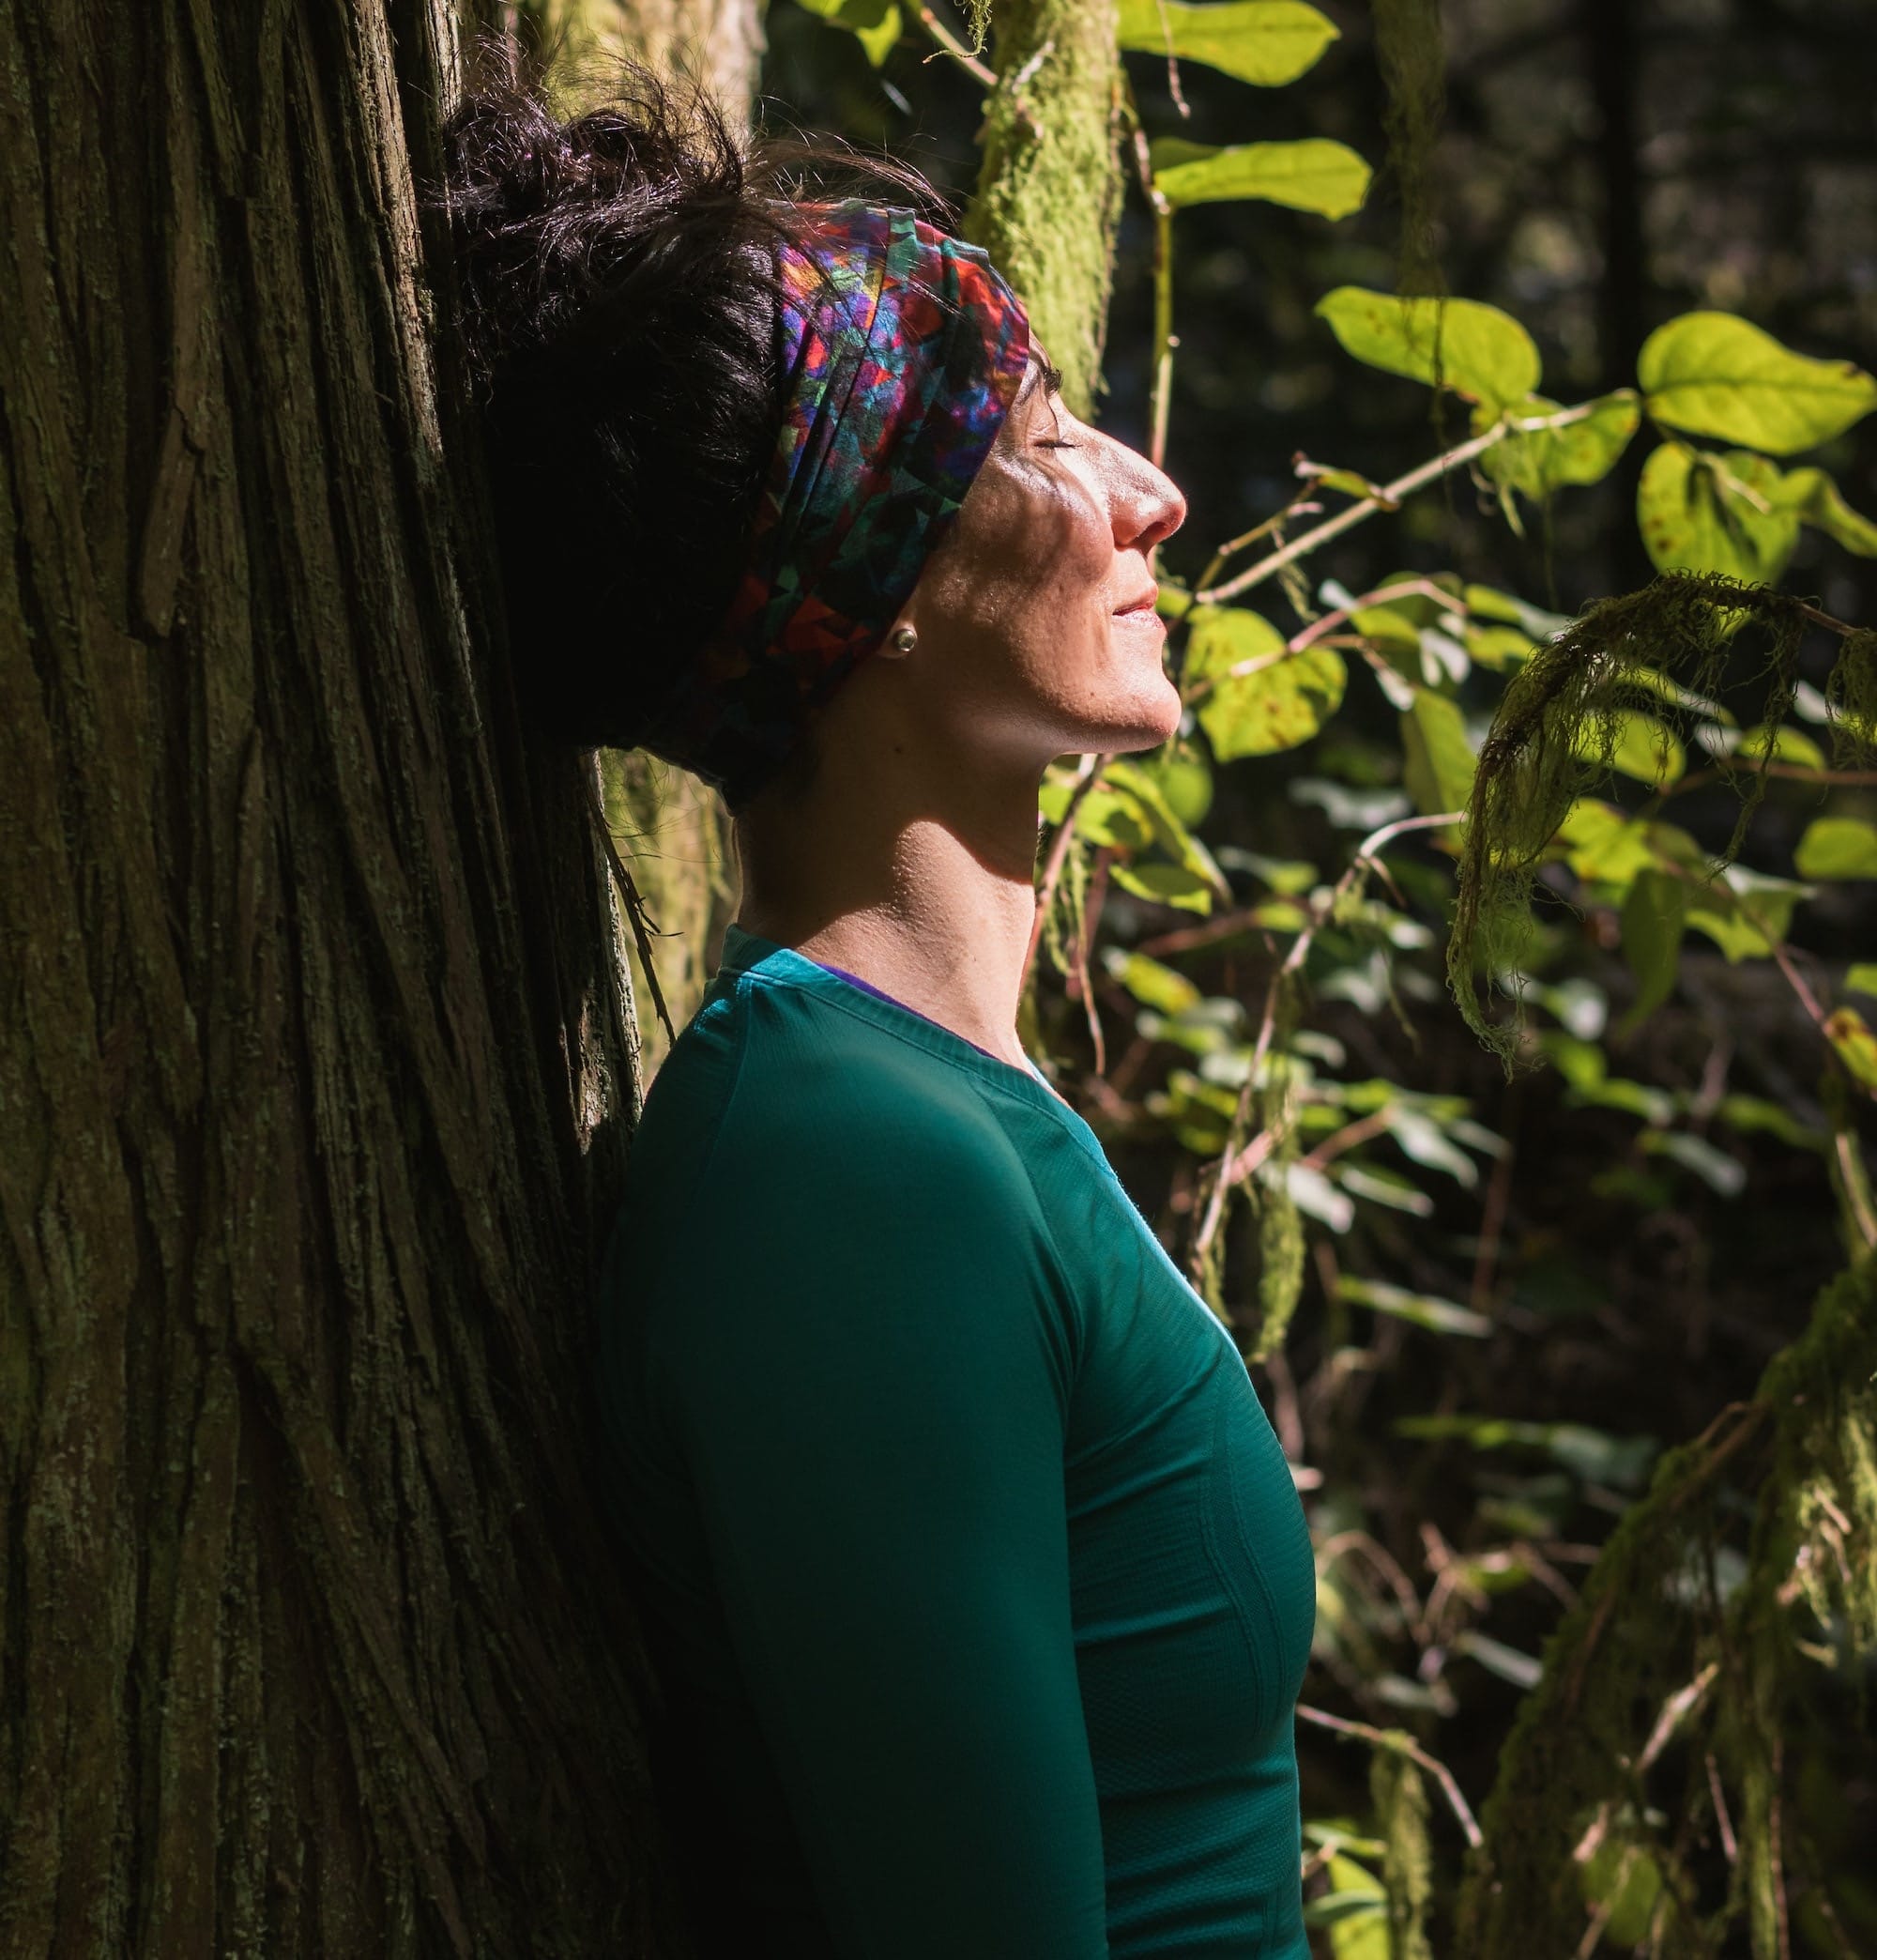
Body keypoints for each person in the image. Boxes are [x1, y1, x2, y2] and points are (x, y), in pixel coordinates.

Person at [443, 63, 1317, 1960]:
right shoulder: (847, 1174)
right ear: (879, 571)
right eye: (1042, 439)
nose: (1147, 495)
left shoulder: (923, 1114)